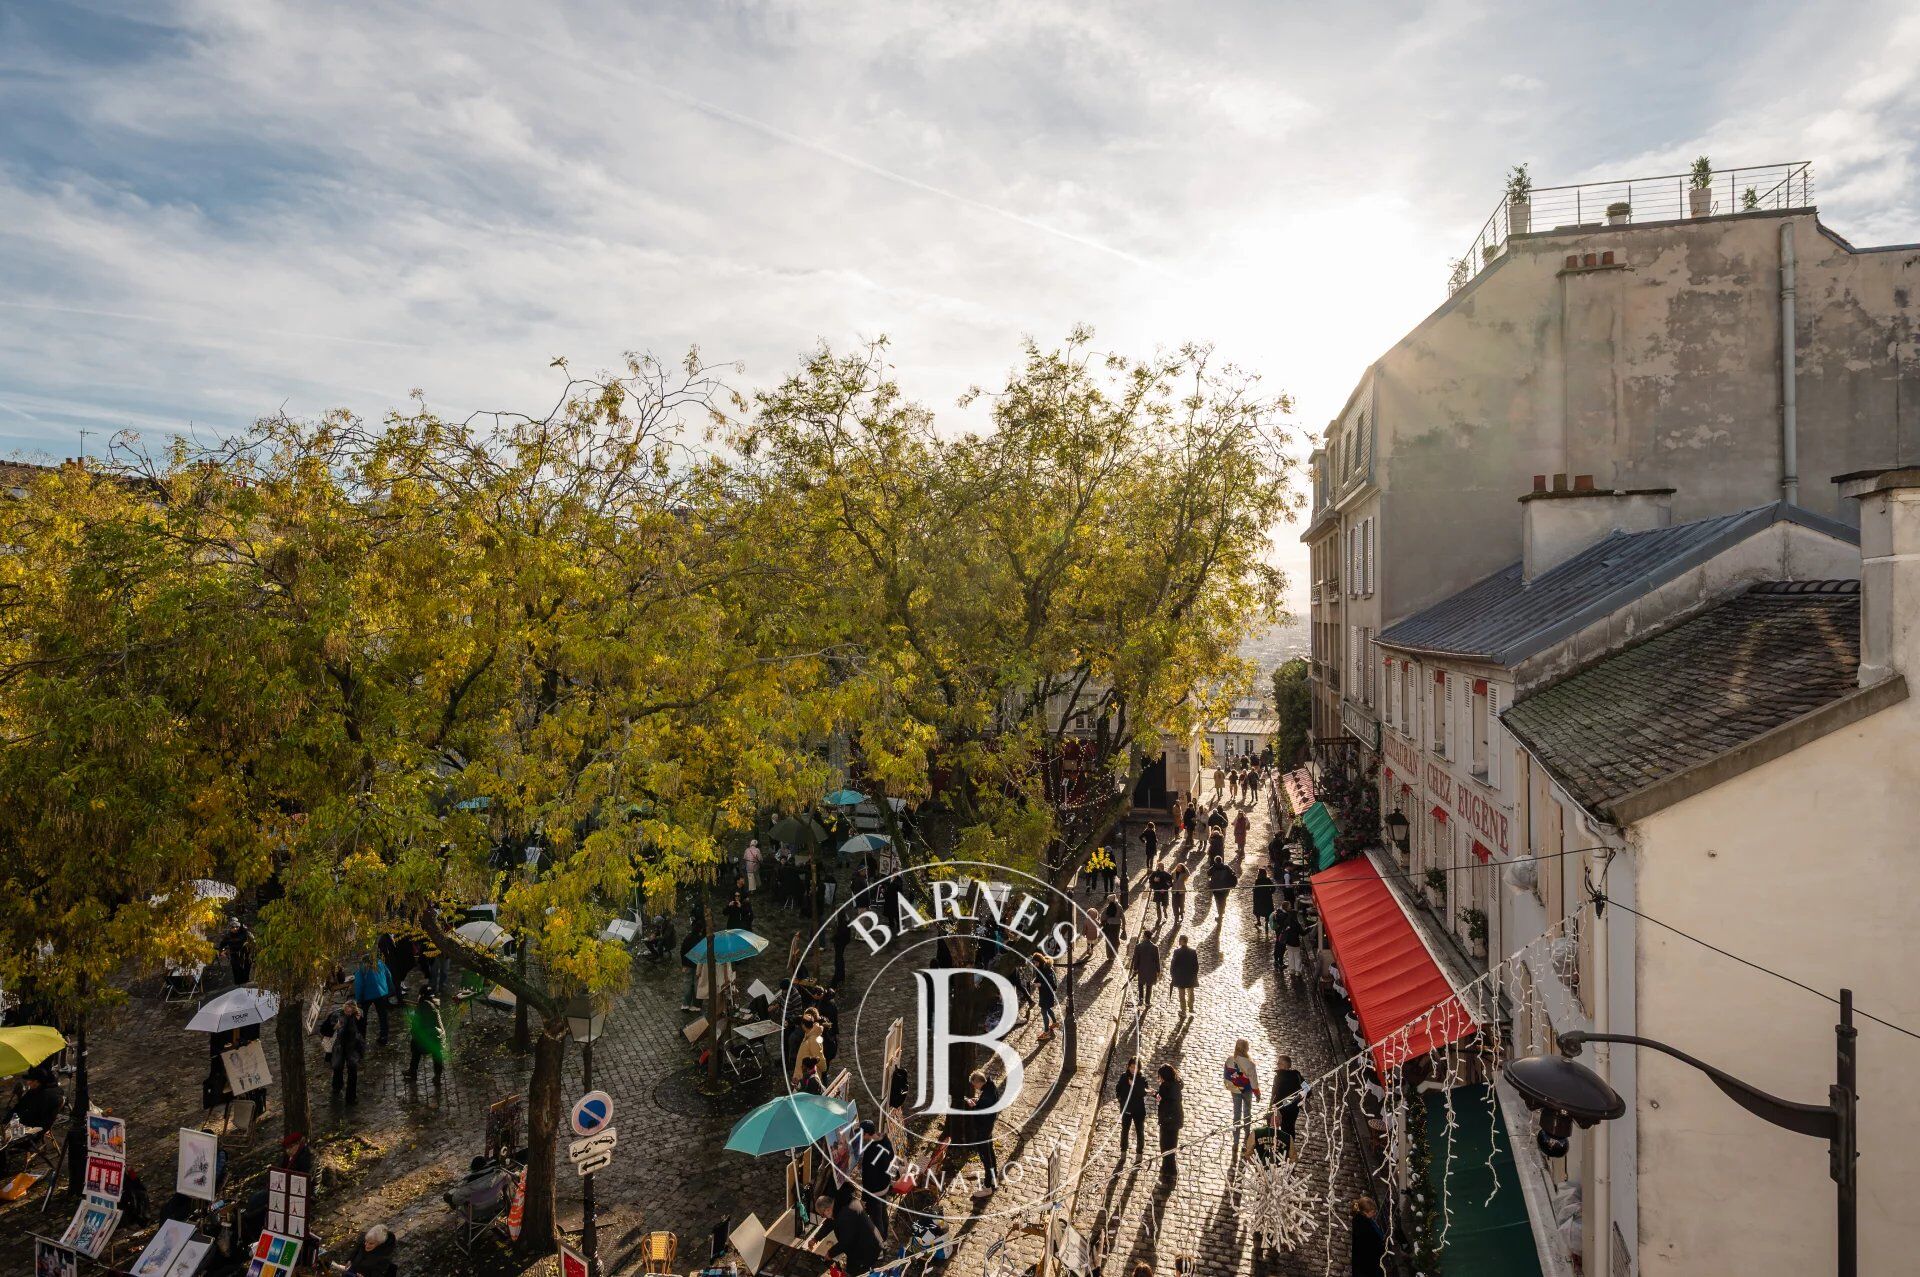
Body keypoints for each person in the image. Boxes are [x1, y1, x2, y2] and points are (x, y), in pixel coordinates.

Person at [959, 1069, 1003, 1192]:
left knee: (985, 1158)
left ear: (978, 1082)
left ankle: (987, 1187)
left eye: (974, 1085)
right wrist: (978, 1101)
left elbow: (981, 1114)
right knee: (990, 1153)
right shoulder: (990, 1087)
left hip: (983, 1129)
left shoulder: (987, 1097)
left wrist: (973, 1106)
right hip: (988, 1127)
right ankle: (993, 1178)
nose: (974, 1087)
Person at [817, 1195, 884, 1274]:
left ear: (828, 1210)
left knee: (857, 1272)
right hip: (865, 1241)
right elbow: (830, 1223)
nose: (823, 1217)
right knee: (851, 1269)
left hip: (867, 1248)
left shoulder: (844, 1216)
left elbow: (845, 1242)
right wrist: (816, 1237)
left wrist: (830, 1253)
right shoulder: (840, 1205)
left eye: (822, 1215)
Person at [858, 1121, 896, 1235]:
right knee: (883, 1211)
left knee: (876, 1217)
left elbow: (868, 1177)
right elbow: (891, 1156)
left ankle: (881, 1240)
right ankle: (885, 1234)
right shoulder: (885, 1139)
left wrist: (864, 1197)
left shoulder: (870, 1151)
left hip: (875, 1191)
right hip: (885, 1184)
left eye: (861, 1134)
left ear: (866, 1134)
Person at [1224, 1039, 1261, 1153]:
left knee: (1236, 1115)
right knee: (1247, 1113)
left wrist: (1232, 1085)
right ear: (1246, 1049)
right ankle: (1246, 1138)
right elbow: (1254, 1081)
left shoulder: (1229, 1060)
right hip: (1247, 1091)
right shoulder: (1250, 1064)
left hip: (1235, 1090)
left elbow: (1226, 1076)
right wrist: (1257, 1094)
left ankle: (1235, 1142)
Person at [405, 987, 446, 1085]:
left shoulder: (422, 1007)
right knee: (437, 1055)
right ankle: (438, 1076)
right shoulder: (435, 1004)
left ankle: (412, 1072)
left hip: (428, 1037)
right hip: (438, 1035)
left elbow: (416, 1025)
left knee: (415, 1048)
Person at [328, 1000, 365, 1104]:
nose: (348, 1012)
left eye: (351, 1010)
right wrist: (337, 1026)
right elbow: (331, 1028)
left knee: (352, 1070)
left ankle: (351, 1097)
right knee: (338, 1067)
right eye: (347, 1009)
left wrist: (358, 1020)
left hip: (352, 1045)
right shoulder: (337, 1014)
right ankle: (337, 1086)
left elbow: (361, 1027)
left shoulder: (358, 1014)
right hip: (340, 1044)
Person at [352, 954, 393, 1047]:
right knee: (383, 1016)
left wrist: (358, 1000)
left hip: (366, 996)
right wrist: (390, 989)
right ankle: (384, 1037)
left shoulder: (361, 969)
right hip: (381, 993)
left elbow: (359, 985)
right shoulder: (381, 964)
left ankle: (361, 1039)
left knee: (362, 1018)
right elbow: (388, 975)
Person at [1114, 1058, 1148, 1162]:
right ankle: (1123, 1152)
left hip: (1138, 1111)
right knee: (1125, 1131)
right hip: (1126, 1110)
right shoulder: (1124, 1077)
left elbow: (1143, 1093)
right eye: (1131, 1067)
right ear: (1128, 1067)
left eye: (1135, 1067)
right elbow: (1118, 1089)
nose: (1133, 1069)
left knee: (1139, 1132)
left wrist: (1134, 1085)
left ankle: (1139, 1153)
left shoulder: (1142, 1079)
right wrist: (1121, 1101)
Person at [331, 1224, 397, 1277]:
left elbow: (377, 1274)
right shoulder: (364, 1243)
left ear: (379, 1244)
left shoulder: (383, 1258)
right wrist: (350, 1260)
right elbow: (356, 1251)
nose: (367, 1245)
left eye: (371, 1243)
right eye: (366, 1241)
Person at [1272, 1054, 1306, 1157]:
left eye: (1279, 1063)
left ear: (1285, 1065)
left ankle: (1282, 1151)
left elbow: (1275, 1094)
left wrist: (1272, 1107)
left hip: (1282, 1108)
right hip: (1293, 1108)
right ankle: (1288, 1150)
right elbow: (1307, 1090)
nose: (1277, 1064)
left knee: (1279, 1129)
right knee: (1290, 1129)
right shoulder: (1297, 1074)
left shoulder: (1279, 1077)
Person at [1152, 1064, 1183, 1174]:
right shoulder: (1177, 1084)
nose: (1159, 1078)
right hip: (1177, 1118)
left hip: (1167, 1120)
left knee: (1165, 1145)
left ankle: (1167, 1168)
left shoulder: (1164, 1087)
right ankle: (1172, 1167)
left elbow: (1162, 1099)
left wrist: (1155, 1094)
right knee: (1173, 1144)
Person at [1351, 1196, 1387, 1276]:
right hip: (1367, 1261)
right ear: (1365, 1212)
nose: (1375, 1213)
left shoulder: (1361, 1219)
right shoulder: (1365, 1227)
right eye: (1373, 1212)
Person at [681, 906, 706, 1011]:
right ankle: (696, 1005)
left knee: (687, 984)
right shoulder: (701, 939)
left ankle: (686, 1004)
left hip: (688, 964)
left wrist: (683, 964)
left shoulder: (688, 938)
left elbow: (682, 951)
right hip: (698, 965)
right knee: (697, 985)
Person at [1168, 935, 1199, 1019]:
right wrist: (1194, 975)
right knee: (1191, 993)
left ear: (1182, 941)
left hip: (1180, 977)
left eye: (1179, 940)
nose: (1178, 941)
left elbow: (1173, 965)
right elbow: (1196, 966)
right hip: (1190, 977)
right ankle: (1191, 1007)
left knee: (1182, 995)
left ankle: (1183, 1010)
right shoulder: (1193, 951)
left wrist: (1173, 976)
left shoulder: (1177, 952)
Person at [217, 919, 255, 987]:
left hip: (245, 955)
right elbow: (222, 945)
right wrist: (222, 951)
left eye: (237, 927)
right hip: (234, 956)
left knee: (246, 971)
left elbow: (253, 941)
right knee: (237, 972)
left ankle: (245, 984)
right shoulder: (228, 936)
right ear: (230, 928)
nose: (235, 929)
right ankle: (238, 986)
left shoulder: (244, 933)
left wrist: (251, 945)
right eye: (233, 927)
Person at [1129, 933, 1161, 1011]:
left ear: (1145, 936)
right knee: (1149, 986)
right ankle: (1147, 1002)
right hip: (1151, 969)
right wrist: (1158, 970)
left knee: (1140, 983)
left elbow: (1136, 959)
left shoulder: (1138, 946)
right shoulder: (1155, 947)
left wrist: (1135, 969)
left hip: (1142, 968)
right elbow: (1157, 960)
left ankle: (1141, 999)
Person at [1033, 955, 1058, 1043]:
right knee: (1048, 1009)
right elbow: (1039, 977)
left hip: (1047, 994)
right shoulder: (1040, 968)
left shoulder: (1047, 970)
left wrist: (1040, 985)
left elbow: (1050, 985)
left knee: (1044, 1012)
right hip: (1044, 994)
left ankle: (1047, 1032)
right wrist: (1035, 981)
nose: (1034, 964)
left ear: (1039, 962)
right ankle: (1055, 1023)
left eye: (1035, 962)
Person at [1207, 857, 1238, 924]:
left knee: (1218, 901)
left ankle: (1220, 914)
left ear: (1215, 861)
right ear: (1221, 860)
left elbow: (1208, 873)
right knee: (1223, 900)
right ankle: (1222, 911)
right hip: (1225, 888)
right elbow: (1233, 873)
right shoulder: (1226, 867)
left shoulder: (1214, 867)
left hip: (1216, 888)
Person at [1251, 868, 1275, 936]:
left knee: (1258, 910)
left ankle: (1258, 921)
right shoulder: (1268, 880)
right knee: (1267, 910)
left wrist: (1254, 891)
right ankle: (1266, 922)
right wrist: (1270, 893)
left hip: (1259, 899)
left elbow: (1256, 889)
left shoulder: (1258, 880)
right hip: (1267, 898)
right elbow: (1273, 888)